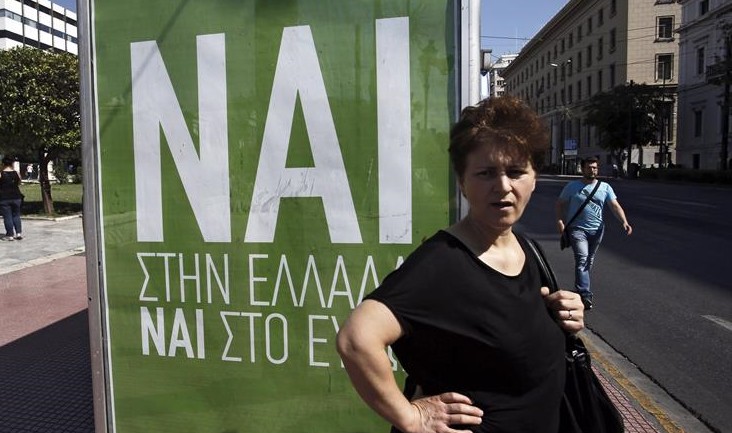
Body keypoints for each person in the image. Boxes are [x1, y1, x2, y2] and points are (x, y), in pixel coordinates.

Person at [336, 96, 585, 433]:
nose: (503, 186)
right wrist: (411, 417)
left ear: (534, 179)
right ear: (462, 182)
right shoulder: (443, 262)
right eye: (486, 173)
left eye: (516, 172)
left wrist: (561, 314)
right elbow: (356, 340)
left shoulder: (527, 249)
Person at [555, 157, 632, 310]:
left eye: (595, 168)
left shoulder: (605, 187)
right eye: (589, 167)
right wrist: (560, 221)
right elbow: (560, 204)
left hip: (597, 230)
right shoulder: (572, 186)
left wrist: (624, 221)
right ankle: (585, 293)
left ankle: (580, 285)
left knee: (588, 261)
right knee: (583, 259)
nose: (592, 170)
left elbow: (614, 205)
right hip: (577, 229)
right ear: (583, 169)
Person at [0, 156, 24, 240]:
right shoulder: (16, 173)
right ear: (12, 163)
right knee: (16, 215)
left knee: (7, 217)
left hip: (4, 197)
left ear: (3, 163)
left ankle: (10, 235)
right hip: (16, 197)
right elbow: (19, 183)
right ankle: (18, 233)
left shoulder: (1, 173)